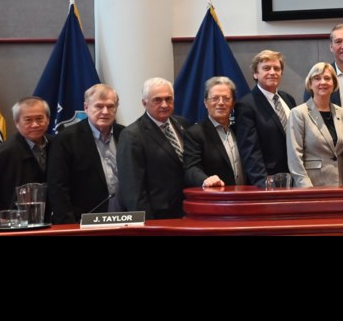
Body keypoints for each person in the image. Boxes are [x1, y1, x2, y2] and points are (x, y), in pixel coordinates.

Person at [116, 78, 197, 219]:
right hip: (157, 217)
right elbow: (133, 190)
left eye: (168, 99)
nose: (164, 105)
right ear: (144, 103)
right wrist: (147, 225)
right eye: (157, 100)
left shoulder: (182, 124)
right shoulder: (132, 135)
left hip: (186, 210)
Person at [47, 84, 126, 224]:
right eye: (99, 106)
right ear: (86, 107)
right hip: (83, 222)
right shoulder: (66, 139)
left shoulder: (126, 135)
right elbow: (58, 187)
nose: (105, 111)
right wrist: (68, 225)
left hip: (126, 219)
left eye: (110, 106)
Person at [235, 50, 297, 186]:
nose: (272, 72)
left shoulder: (288, 99)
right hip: (269, 182)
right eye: (266, 68)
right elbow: (250, 150)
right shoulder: (246, 105)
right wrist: (263, 184)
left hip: (295, 178)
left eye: (277, 68)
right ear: (255, 74)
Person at [287, 62, 343, 188]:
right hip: (313, 187)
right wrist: (306, 188)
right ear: (310, 84)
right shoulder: (298, 113)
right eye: (317, 78)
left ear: (334, 84)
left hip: (341, 185)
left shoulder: (342, 113)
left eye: (327, 78)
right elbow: (294, 157)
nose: (322, 82)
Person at [184, 77, 245, 188]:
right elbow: (191, 168)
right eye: (215, 98)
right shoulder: (195, 133)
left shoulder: (240, 129)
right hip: (216, 199)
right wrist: (205, 180)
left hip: (244, 198)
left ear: (233, 103)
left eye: (226, 98)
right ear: (206, 103)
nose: (221, 103)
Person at [0, 97, 51, 215]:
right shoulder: (3, 153)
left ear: (48, 120)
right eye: (28, 120)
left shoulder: (58, 145)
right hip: (13, 223)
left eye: (40, 118)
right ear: (16, 122)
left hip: (52, 222)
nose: (35, 125)